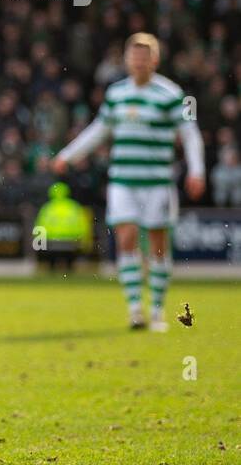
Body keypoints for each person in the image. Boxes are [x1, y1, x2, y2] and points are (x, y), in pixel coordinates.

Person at [52, 33, 206, 331]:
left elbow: (190, 133)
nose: (138, 62)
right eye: (134, 56)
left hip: (157, 181)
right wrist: (68, 155)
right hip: (123, 180)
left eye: (144, 56)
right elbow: (99, 129)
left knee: (158, 247)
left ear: (155, 60)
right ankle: (136, 309)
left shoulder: (171, 94)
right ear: (126, 60)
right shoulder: (116, 93)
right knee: (126, 238)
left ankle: (158, 310)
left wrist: (196, 170)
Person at [33, 181, 90, 273]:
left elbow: (39, 227)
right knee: (69, 263)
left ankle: (52, 272)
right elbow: (83, 226)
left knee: (51, 262)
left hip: (51, 243)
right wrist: (84, 241)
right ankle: (69, 272)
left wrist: (39, 244)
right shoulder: (74, 206)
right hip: (71, 242)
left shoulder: (47, 208)